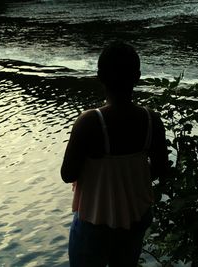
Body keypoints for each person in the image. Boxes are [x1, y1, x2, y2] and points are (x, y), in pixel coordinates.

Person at [61, 41, 169, 267]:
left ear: (100, 76)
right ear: (137, 77)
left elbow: (68, 174)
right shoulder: (152, 120)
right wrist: (127, 180)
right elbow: (160, 168)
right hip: (135, 217)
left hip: (95, 219)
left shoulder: (90, 122)